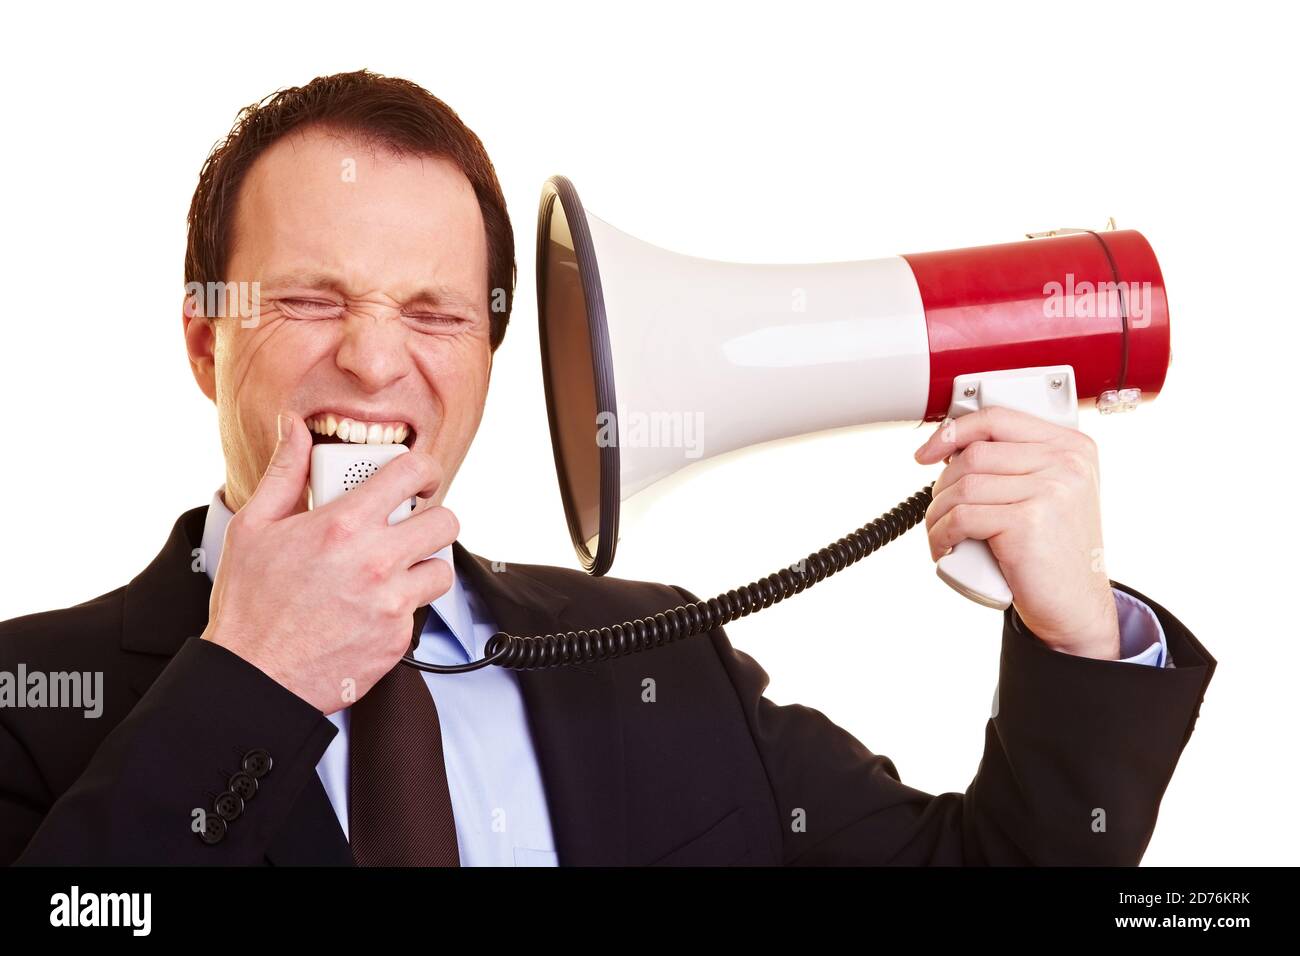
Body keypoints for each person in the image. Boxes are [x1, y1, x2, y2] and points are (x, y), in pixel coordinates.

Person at [0, 70, 1214, 866]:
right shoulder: (26, 701)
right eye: (313, 298)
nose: (376, 359)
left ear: (484, 357)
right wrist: (253, 679)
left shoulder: (655, 659)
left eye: (435, 315)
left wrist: (1077, 641)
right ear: (207, 340)